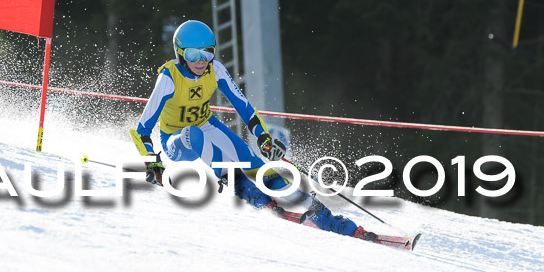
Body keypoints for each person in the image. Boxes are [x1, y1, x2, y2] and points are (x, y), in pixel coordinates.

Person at [134, 20, 375, 239]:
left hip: (208, 124)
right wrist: (152, 162)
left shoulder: (215, 70)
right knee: (193, 134)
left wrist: (263, 137)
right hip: (177, 142)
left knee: (256, 165)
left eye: (207, 53)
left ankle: (325, 218)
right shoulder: (169, 77)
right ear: (179, 53)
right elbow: (143, 128)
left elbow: (246, 109)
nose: (200, 60)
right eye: (193, 53)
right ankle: (244, 188)